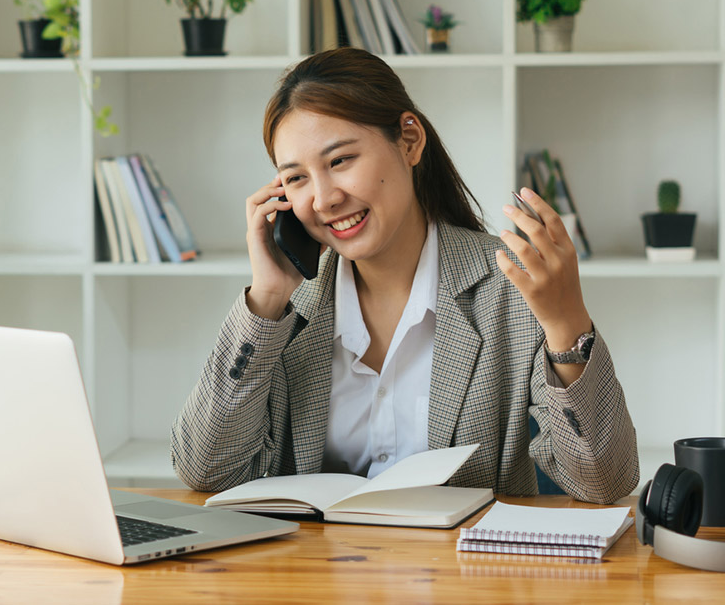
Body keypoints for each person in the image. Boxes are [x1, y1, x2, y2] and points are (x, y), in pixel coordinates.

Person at [170, 47, 639, 504]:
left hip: (466, 578)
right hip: (315, 579)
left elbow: (605, 481)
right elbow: (205, 470)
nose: (323, 198)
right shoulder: (287, 313)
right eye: (296, 178)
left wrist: (567, 323)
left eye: (339, 161)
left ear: (409, 141)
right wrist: (267, 298)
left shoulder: (511, 288)